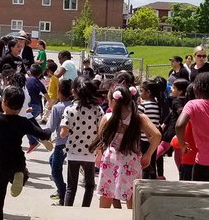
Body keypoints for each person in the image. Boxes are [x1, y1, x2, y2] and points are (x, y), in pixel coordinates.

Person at [0, 86, 50, 220]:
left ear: (4, 102)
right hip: (17, 162)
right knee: (19, 169)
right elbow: (43, 134)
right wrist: (49, 131)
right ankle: (20, 175)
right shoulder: (23, 122)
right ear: (20, 107)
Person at [93, 85, 161, 208]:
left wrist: (99, 155)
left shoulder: (108, 118)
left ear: (114, 101)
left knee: (106, 193)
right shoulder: (138, 118)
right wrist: (148, 155)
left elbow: (100, 141)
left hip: (110, 159)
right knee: (131, 196)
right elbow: (157, 135)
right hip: (131, 160)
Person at [60, 78, 103, 206]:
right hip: (90, 152)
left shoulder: (69, 110)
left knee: (71, 187)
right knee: (89, 185)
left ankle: (68, 210)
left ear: (73, 91)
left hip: (73, 152)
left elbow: (63, 133)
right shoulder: (97, 109)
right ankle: (85, 208)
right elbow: (101, 131)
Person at [46, 80, 72, 204]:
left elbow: (50, 127)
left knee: (55, 170)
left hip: (61, 143)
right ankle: (61, 187)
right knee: (52, 161)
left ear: (59, 91)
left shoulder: (58, 107)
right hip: (72, 142)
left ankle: (62, 193)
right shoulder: (73, 105)